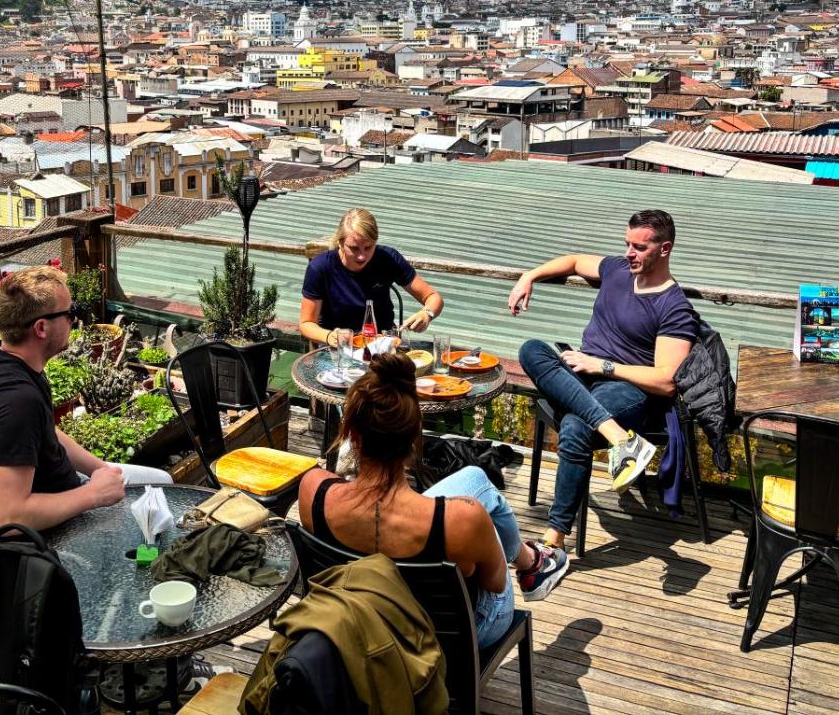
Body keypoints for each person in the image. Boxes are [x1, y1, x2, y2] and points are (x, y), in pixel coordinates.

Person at [297, 352, 569, 645]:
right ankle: (532, 565)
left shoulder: (313, 489)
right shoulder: (462, 519)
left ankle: (530, 561)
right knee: (484, 525)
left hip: (355, 625)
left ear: (351, 432)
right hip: (442, 640)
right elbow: (494, 584)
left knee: (475, 478)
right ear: (415, 437)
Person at [509, 209, 699, 553]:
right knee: (531, 349)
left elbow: (666, 382)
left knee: (575, 426)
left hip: (626, 388)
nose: (629, 253)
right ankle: (619, 438)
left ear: (665, 249)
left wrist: (603, 366)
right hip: (583, 372)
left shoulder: (674, 307)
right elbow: (573, 261)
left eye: (639, 247)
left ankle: (553, 541)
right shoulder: (618, 269)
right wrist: (529, 275)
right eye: (627, 244)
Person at [0, 265, 172, 531]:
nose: (74, 321)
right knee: (163, 499)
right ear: (41, 327)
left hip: (67, 490)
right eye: (69, 313)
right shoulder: (17, 403)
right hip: (53, 536)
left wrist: (99, 469)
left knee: (162, 482)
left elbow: (46, 432)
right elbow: (8, 519)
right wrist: (94, 495)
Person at [299, 208, 444, 346]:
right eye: (354, 248)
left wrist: (427, 313)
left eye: (368, 247)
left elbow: (433, 297)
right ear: (340, 242)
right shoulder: (320, 267)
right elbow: (306, 323)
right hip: (339, 347)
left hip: (383, 345)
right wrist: (329, 336)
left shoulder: (388, 258)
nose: (362, 256)